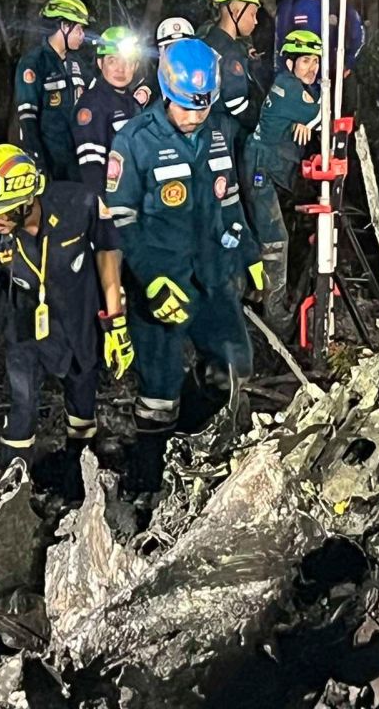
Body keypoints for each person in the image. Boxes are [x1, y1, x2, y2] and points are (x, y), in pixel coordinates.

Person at [106, 38, 261, 494]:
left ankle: (190, 442)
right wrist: (152, 281)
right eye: (186, 106)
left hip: (212, 275)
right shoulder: (133, 141)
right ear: (166, 92)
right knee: (158, 392)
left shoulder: (219, 131)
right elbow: (123, 222)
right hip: (159, 282)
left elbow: (229, 199)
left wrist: (249, 253)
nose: (195, 115)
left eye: (203, 105)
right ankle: (147, 480)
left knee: (234, 368)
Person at [0, 144, 126, 497]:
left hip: (79, 320)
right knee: (22, 410)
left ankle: (78, 481)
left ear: (25, 200)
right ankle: (15, 492)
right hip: (24, 327)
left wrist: (116, 322)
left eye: (1, 212)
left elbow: (108, 254)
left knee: (82, 408)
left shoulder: (80, 204)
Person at [243, 30, 323, 332]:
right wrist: (309, 120)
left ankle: (260, 296)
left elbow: (314, 111)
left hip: (271, 169)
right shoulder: (288, 88)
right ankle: (275, 317)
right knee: (275, 239)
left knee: (274, 233)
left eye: (315, 61)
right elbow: (325, 113)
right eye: (305, 60)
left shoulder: (299, 87)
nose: (312, 68)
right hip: (261, 169)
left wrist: (304, 121)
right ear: (289, 63)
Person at [14, 0, 93, 182]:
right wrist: (38, 162)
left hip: (78, 163)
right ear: (64, 26)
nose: (82, 36)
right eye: (79, 29)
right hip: (51, 165)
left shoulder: (77, 64)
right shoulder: (34, 63)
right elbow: (27, 118)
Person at [73, 26, 144, 195]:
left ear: (135, 66)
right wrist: (101, 205)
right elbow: (90, 164)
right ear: (100, 63)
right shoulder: (92, 104)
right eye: (112, 60)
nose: (121, 68)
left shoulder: (132, 103)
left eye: (127, 62)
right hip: (110, 199)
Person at [201, 0, 265, 134]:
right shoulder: (229, 52)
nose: (255, 21)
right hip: (228, 133)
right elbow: (239, 106)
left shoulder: (208, 41)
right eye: (252, 14)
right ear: (236, 13)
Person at [273, 0, 365, 81]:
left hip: (328, 80)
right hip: (296, 82)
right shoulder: (290, 5)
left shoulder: (339, 6)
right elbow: (280, 45)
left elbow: (358, 37)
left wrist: (347, 63)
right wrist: (282, 79)